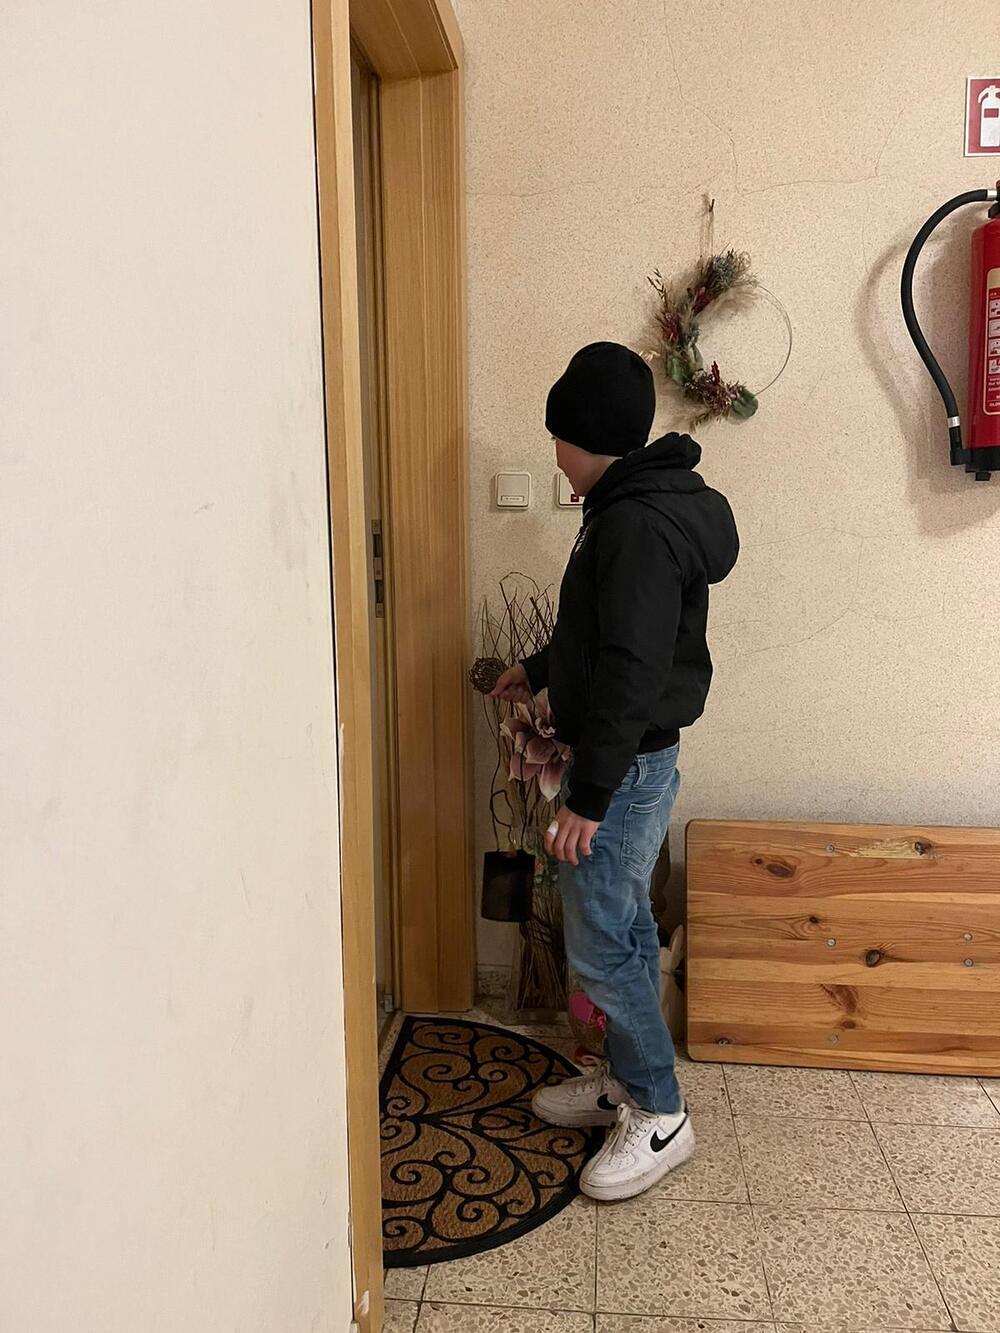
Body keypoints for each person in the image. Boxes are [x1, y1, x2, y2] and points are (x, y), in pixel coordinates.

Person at [491, 342, 739, 1202]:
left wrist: (589, 798)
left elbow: (633, 668)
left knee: (600, 942)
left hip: (622, 771)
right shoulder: (630, 503)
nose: (555, 454)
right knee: (623, 926)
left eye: (559, 438)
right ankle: (630, 1081)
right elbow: (600, 631)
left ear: (589, 438)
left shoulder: (633, 523)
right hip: (631, 761)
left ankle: (660, 1111)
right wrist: (540, 667)